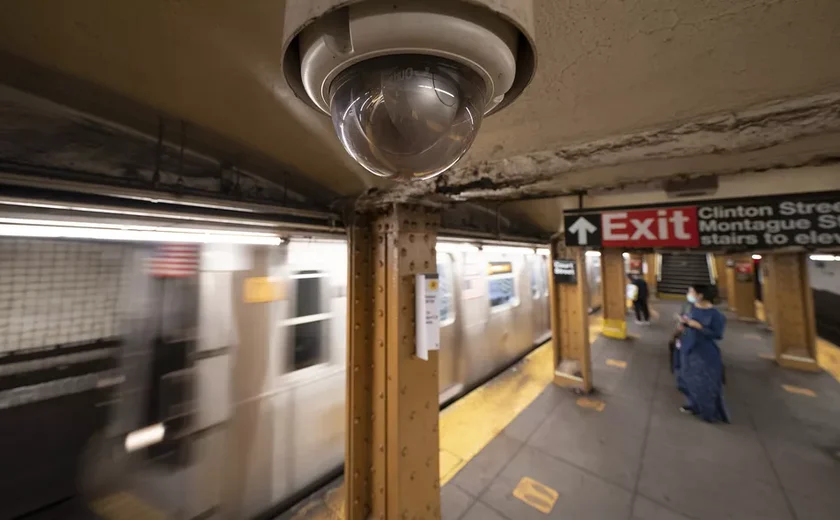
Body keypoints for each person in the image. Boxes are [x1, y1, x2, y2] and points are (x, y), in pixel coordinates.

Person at [676, 284, 730, 423]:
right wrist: (683, 324)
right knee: (685, 378)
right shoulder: (691, 308)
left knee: (705, 382)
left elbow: (717, 334)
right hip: (687, 346)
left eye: (691, 291)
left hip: (704, 352)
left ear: (700, 295)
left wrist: (700, 327)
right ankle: (694, 405)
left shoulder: (716, 315)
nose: (689, 294)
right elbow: (685, 324)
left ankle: (709, 412)